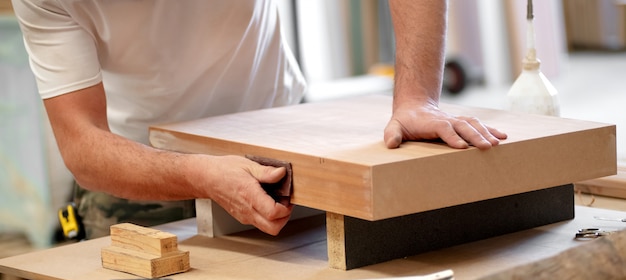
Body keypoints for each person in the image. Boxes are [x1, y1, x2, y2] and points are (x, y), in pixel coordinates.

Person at [11, 0, 506, 239]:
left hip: (285, 155)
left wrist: (417, 97)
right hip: (136, 177)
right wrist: (198, 173)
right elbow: (82, 143)